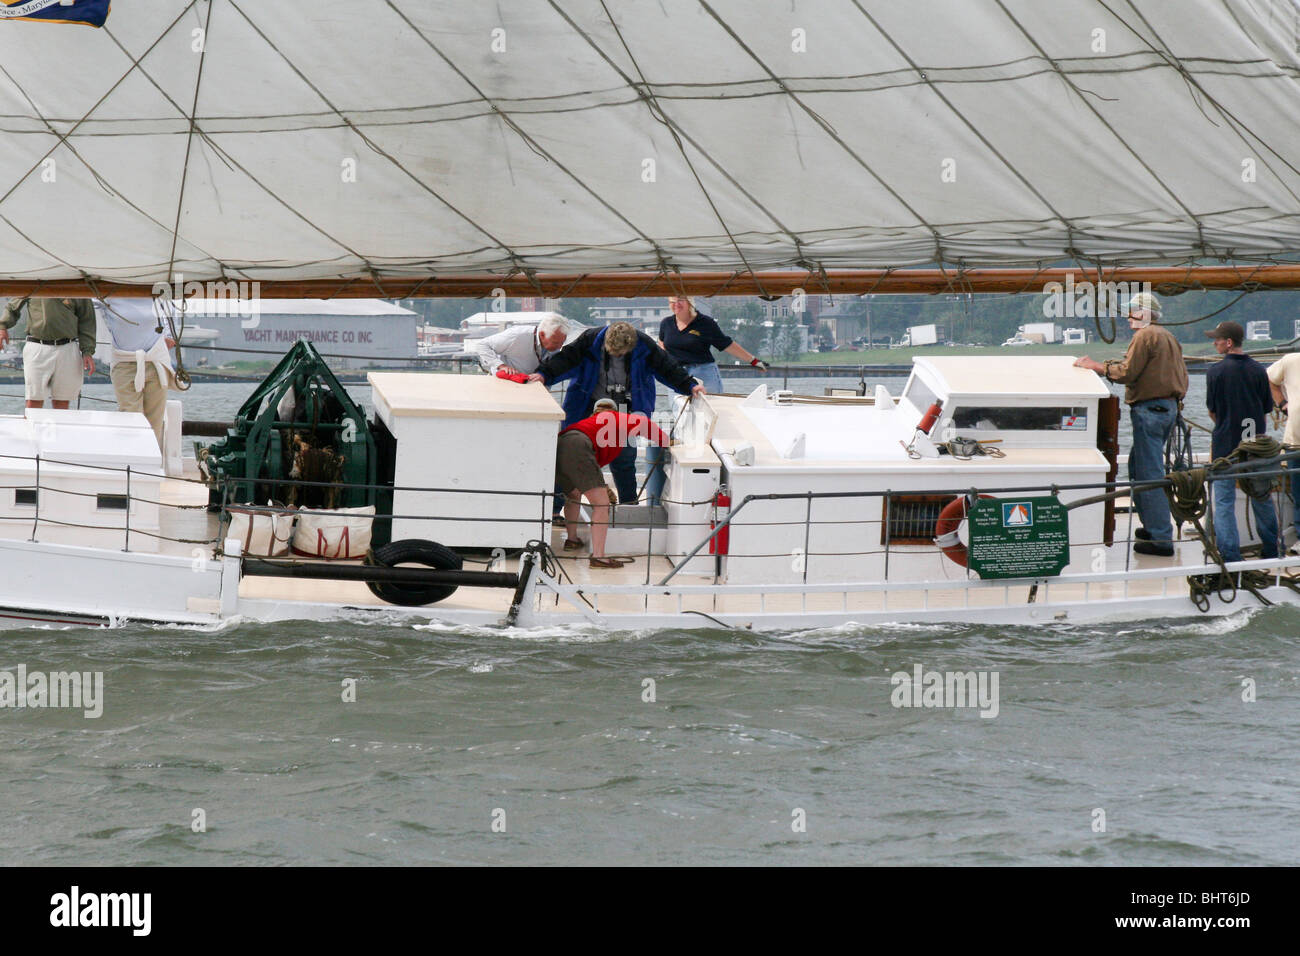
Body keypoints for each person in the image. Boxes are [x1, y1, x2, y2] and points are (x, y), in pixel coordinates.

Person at [530, 321, 704, 505]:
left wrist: (690, 386)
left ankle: (628, 505)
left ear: (632, 347)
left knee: (624, 459)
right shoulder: (589, 340)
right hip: (586, 403)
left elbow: (667, 367)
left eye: (621, 354)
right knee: (570, 455)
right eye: (612, 353)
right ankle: (556, 509)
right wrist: (544, 374)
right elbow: (565, 359)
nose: (616, 357)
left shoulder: (644, 345)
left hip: (625, 408)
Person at [1075, 291, 1188, 556]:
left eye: (1132, 312)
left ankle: (1160, 538)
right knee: (1139, 467)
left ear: (1143, 313)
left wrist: (1095, 366)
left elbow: (1128, 372)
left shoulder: (1145, 336)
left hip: (1149, 410)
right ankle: (1151, 527)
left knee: (1149, 475)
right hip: (1167, 409)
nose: (1128, 318)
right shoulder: (1168, 337)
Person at [555, 398, 673, 568]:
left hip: (563, 443)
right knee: (601, 505)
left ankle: (572, 540)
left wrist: (601, 486)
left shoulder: (591, 423)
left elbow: (588, 465)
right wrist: (666, 442)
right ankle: (598, 556)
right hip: (579, 445)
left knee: (573, 495)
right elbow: (643, 422)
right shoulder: (615, 418)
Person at [1203, 321, 1279, 563]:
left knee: (1224, 501)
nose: (1214, 342)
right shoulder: (1259, 370)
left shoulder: (1215, 372)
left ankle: (1230, 556)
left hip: (1226, 446)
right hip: (1255, 445)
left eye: (1217, 339)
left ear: (1228, 342)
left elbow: (1213, 412)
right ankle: (1271, 550)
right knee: (1261, 496)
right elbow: (1267, 407)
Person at [101, 302, 178, 451]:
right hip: (124, 362)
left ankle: (152, 459)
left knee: (155, 417)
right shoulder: (107, 294)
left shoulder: (158, 293)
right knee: (130, 415)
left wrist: (169, 335)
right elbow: (88, 304)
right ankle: (132, 456)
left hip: (155, 360)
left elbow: (170, 309)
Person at [0, 296, 97, 409]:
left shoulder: (77, 287)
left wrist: (87, 351)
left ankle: (59, 427)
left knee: (62, 401)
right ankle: (32, 426)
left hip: (68, 347)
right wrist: (2, 326)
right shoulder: (34, 282)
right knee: (33, 399)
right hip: (37, 346)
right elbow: (12, 307)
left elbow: (87, 320)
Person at [657, 295, 767, 394]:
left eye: (680, 300)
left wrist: (754, 361)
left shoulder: (705, 323)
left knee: (711, 409)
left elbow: (726, 344)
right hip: (677, 374)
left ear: (689, 302)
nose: (676, 304)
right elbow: (661, 344)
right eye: (672, 301)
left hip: (703, 372)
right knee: (681, 413)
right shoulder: (666, 323)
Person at [1267, 349, 1300, 555]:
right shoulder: (1291, 361)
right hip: (1296, 442)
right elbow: (1269, 379)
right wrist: (1281, 403)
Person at [470, 312, 569, 377]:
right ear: (542, 334)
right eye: (555, 343)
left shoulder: (554, 343)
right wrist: (501, 366)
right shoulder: (518, 335)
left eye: (562, 342)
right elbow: (482, 345)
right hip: (505, 386)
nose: (559, 347)